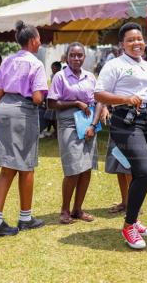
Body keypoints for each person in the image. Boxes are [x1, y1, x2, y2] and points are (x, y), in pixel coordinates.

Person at [95, 22, 147, 250]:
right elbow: (99, 93)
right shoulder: (114, 65)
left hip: (146, 118)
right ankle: (129, 225)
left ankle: (135, 219)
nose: (137, 43)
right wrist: (125, 99)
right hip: (125, 121)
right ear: (122, 45)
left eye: (139, 39)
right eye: (131, 40)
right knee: (145, 172)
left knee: (138, 173)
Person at [0, 21, 48, 239]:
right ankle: (25, 217)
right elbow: (38, 97)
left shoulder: (8, 61)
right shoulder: (36, 64)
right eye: (39, 38)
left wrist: (0, 111)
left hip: (3, 110)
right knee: (26, 165)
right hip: (23, 111)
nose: (40, 42)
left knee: (7, 167)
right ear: (32, 41)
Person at [48, 43, 104, 224]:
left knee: (86, 168)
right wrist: (76, 103)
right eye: (72, 55)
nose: (76, 59)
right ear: (66, 57)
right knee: (72, 169)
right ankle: (64, 210)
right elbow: (51, 103)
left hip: (89, 125)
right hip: (68, 124)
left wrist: (94, 126)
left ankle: (77, 209)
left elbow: (98, 101)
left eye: (80, 55)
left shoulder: (90, 77)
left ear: (84, 58)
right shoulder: (60, 76)